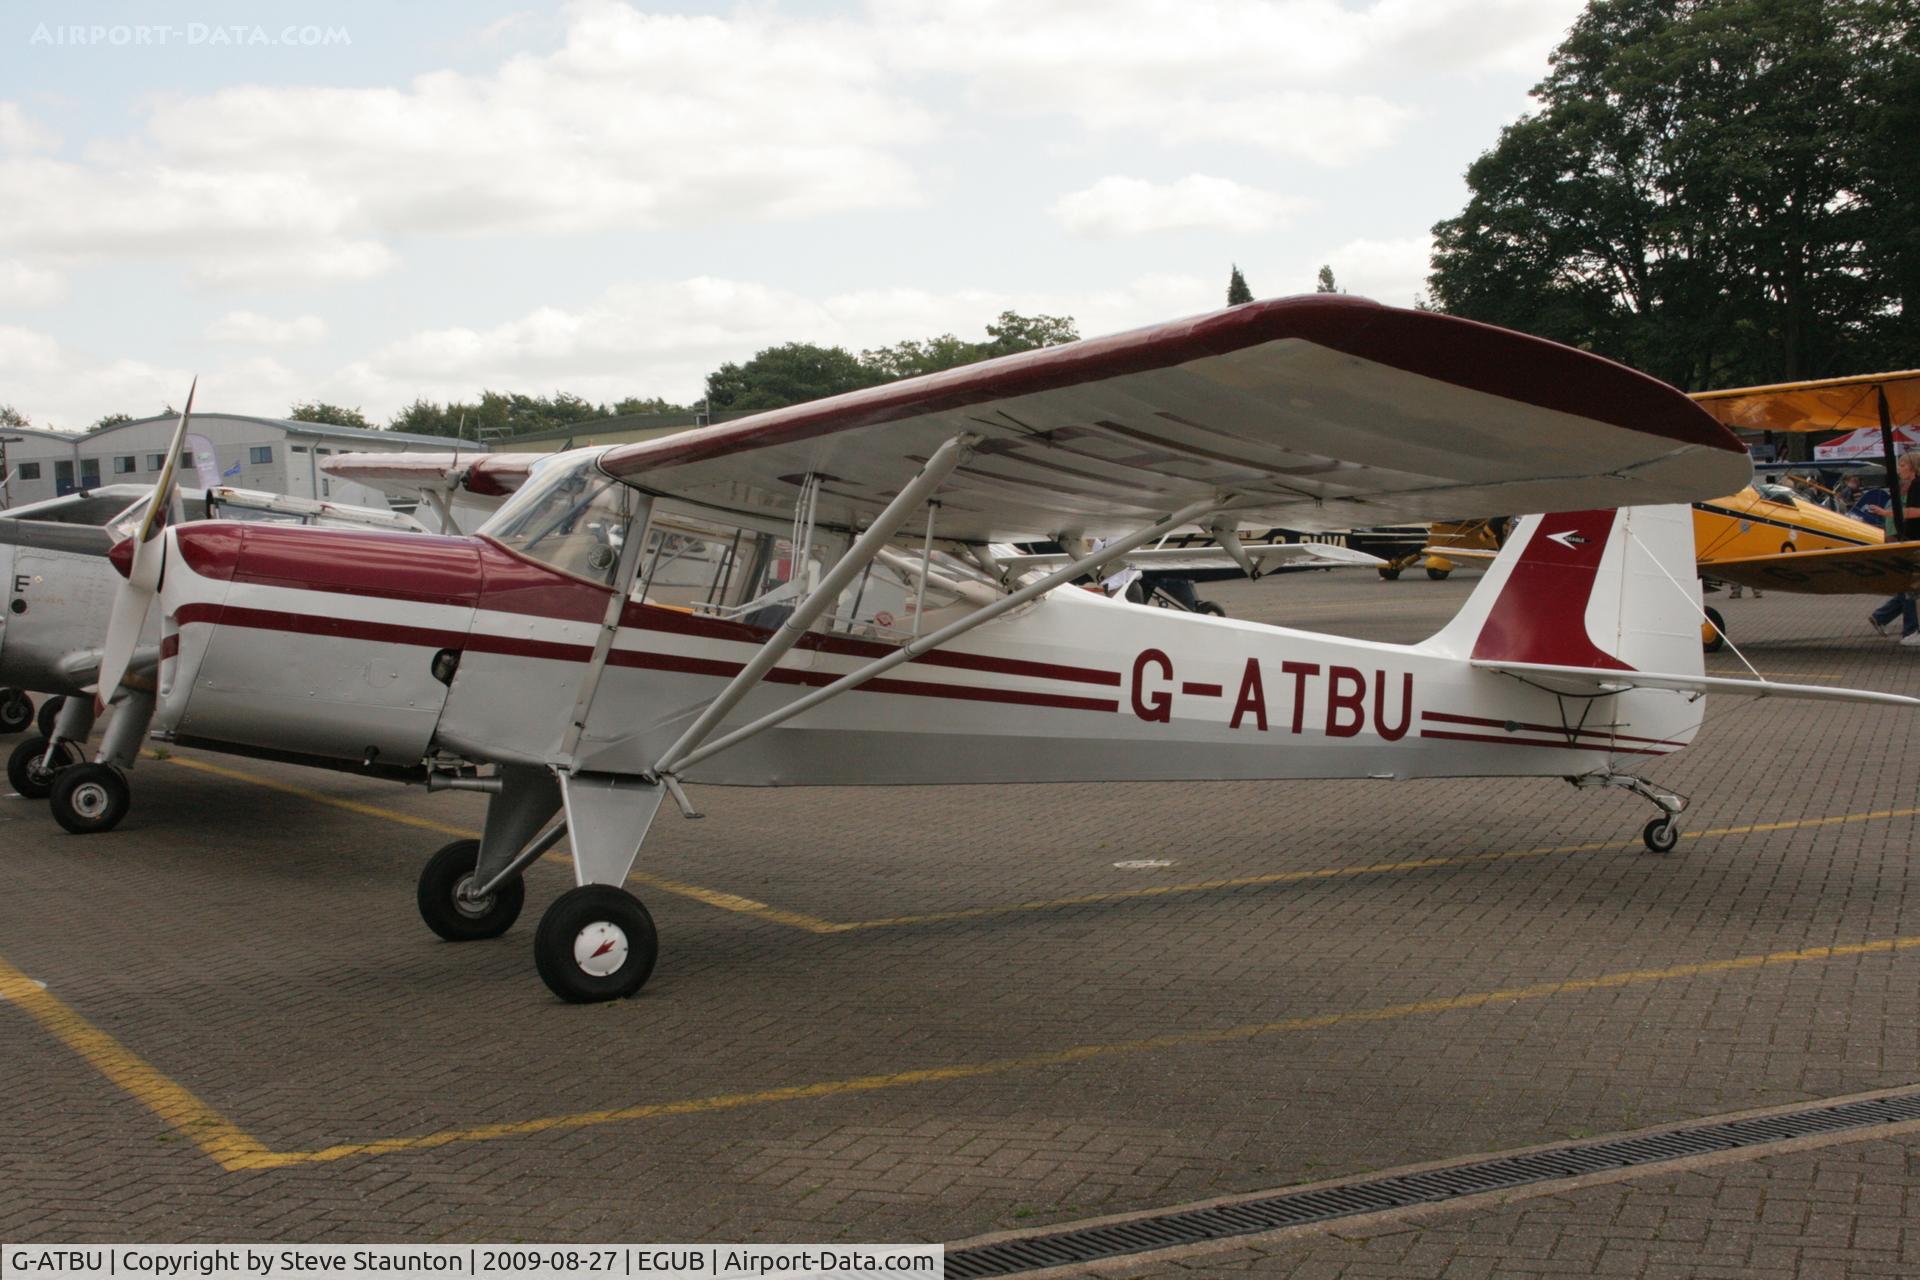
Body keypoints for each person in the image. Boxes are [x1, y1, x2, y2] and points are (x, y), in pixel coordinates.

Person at [1865, 453, 1920, 645]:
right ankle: (1910, 631)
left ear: (1912, 467)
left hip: (1911, 542)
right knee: (1910, 587)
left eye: (1903, 465)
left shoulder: (1913, 486)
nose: (1899, 469)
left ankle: (1882, 617)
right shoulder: (1909, 487)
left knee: (1911, 587)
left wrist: (1886, 513)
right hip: (1910, 542)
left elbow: (1914, 512)